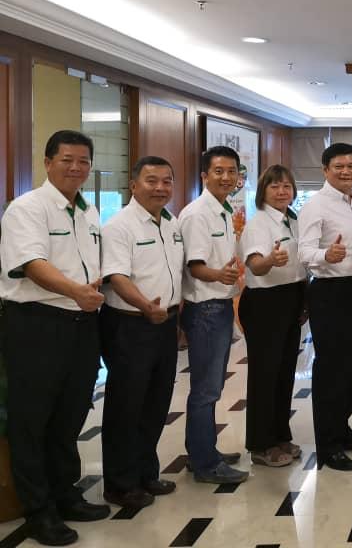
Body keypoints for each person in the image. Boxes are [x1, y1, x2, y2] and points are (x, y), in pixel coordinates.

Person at [0, 130, 110, 546]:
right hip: (36, 323)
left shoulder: (89, 211)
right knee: (32, 419)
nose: (76, 168)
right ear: (48, 162)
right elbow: (31, 263)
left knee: (70, 413)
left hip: (82, 324)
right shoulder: (26, 208)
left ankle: (66, 494)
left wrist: (92, 288)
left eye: (83, 161)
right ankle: (38, 510)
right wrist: (76, 291)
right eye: (67, 160)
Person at [99, 156, 184, 510]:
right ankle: (119, 484)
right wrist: (147, 308)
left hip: (165, 322)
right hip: (131, 325)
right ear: (134, 185)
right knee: (126, 404)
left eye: (166, 181)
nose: (160, 187)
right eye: (152, 181)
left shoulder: (171, 222)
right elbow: (117, 277)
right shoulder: (119, 226)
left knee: (155, 402)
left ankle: (145, 472)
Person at [298, 143, 352, 471]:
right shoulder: (315, 206)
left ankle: (342, 430)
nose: (346, 172)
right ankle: (327, 445)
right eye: (339, 166)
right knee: (331, 370)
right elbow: (304, 252)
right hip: (331, 293)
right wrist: (325, 256)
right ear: (325, 170)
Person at [178, 145, 248, 484]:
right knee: (206, 390)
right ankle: (205, 464)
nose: (226, 177)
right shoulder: (196, 214)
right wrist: (219, 276)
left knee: (212, 387)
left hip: (219, 306)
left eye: (231, 171)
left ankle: (204, 451)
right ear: (204, 176)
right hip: (205, 308)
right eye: (218, 171)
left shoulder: (221, 210)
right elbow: (195, 265)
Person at [239, 165, 306, 469]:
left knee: (284, 373)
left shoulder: (292, 219)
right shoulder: (259, 224)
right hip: (266, 303)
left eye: (287, 186)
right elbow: (255, 265)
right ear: (263, 191)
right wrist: (270, 259)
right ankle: (260, 444)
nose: (282, 192)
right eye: (275, 187)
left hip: (291, 299)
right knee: (265, 376)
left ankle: (280, 435)